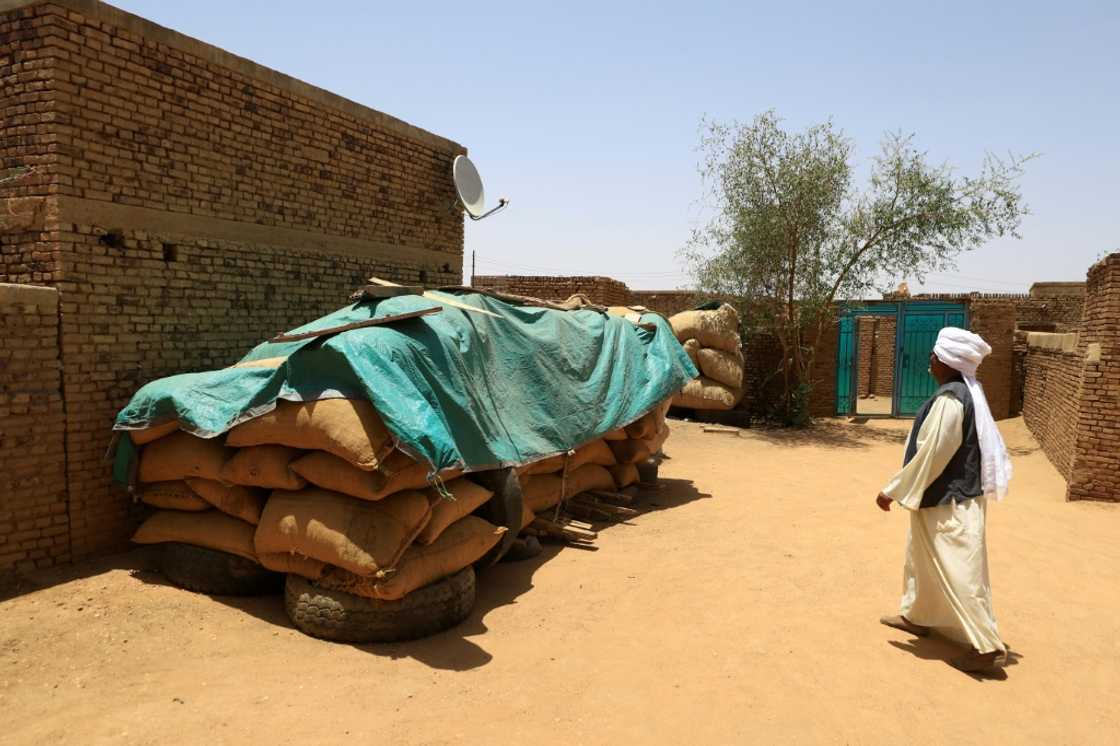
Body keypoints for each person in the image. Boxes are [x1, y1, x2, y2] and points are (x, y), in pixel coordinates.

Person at [876, 327, 1013, 673]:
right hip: (941, 502)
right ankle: (917, 616)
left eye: (934, 356)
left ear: (947, 361)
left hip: (950, 506)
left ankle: (985, 647)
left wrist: (892, 489)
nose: (930, 360)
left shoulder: (952, 399)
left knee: (961, 574)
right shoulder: (961, 393)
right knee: (920, 560)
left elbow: (932, 454)